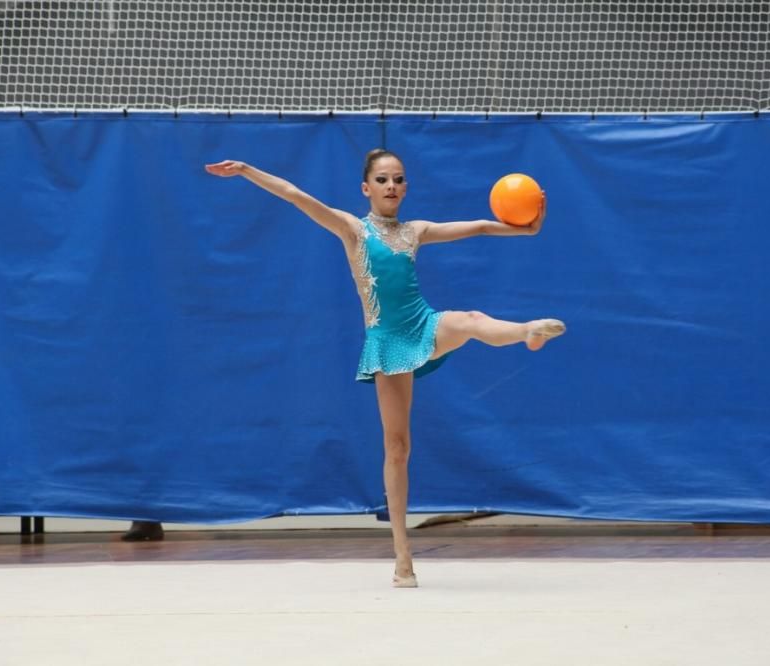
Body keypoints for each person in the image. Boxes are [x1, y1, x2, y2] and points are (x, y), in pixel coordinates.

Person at [204, 150, 565, 588]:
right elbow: (296, 195)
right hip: (389, 341)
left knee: (469, 320)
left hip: (423, 324)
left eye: (398, 179)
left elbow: (482, 226)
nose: (391, 185)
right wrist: (246, 169)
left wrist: (527, 227)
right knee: (398, 449)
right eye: (382, 179)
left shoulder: (415, 231)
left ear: (405, 187)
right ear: (366, 188)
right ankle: (402, 554)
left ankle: (527, 330)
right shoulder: (353, 230)